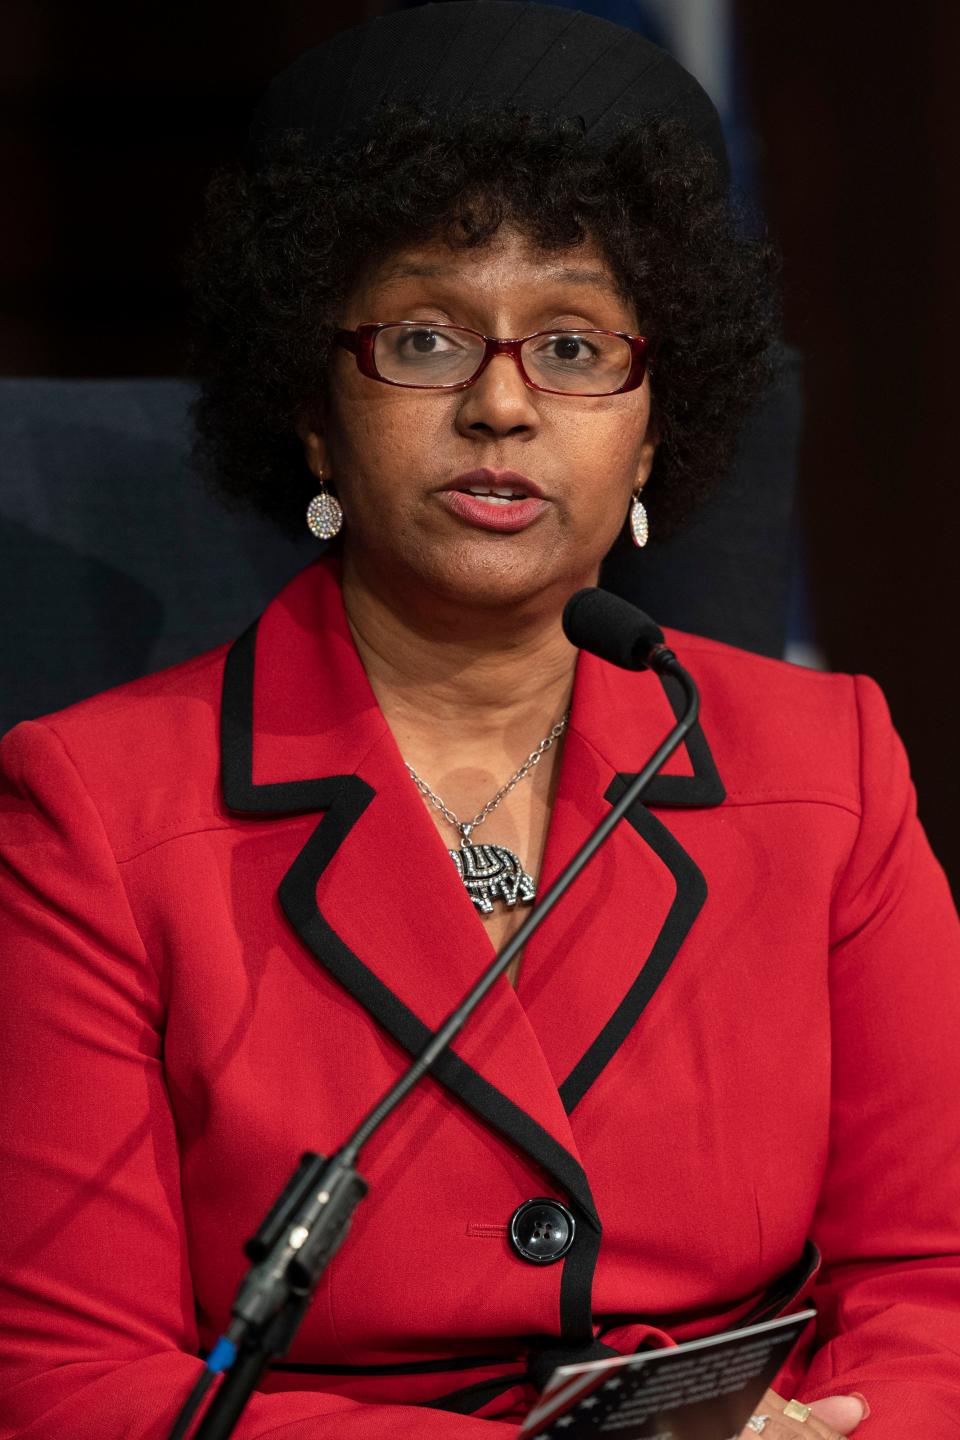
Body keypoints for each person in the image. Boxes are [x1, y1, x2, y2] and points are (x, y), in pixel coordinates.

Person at [1, 5, 958, 1439]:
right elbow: (71, 1386)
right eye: (430, 334)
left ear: (651, 419)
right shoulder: (88, 808)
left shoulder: (829, 767)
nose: (503, 402)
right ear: (316, 412)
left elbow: (934, 1277)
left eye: (573, 345)